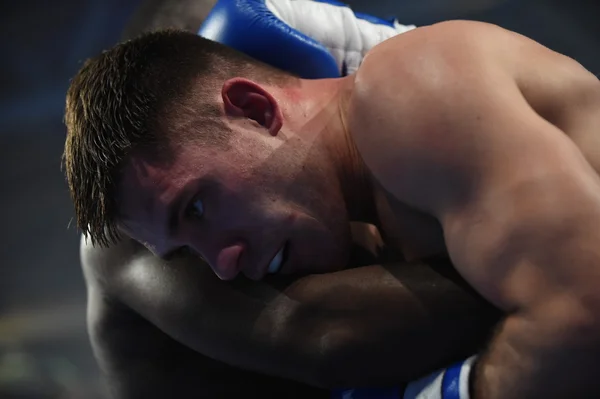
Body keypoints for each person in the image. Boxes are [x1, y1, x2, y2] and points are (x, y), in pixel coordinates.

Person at [68, 1, 499, 398]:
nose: (222, 263)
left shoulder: (319, 159)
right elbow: (329, 335)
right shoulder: (134, 220)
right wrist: (539, 268)